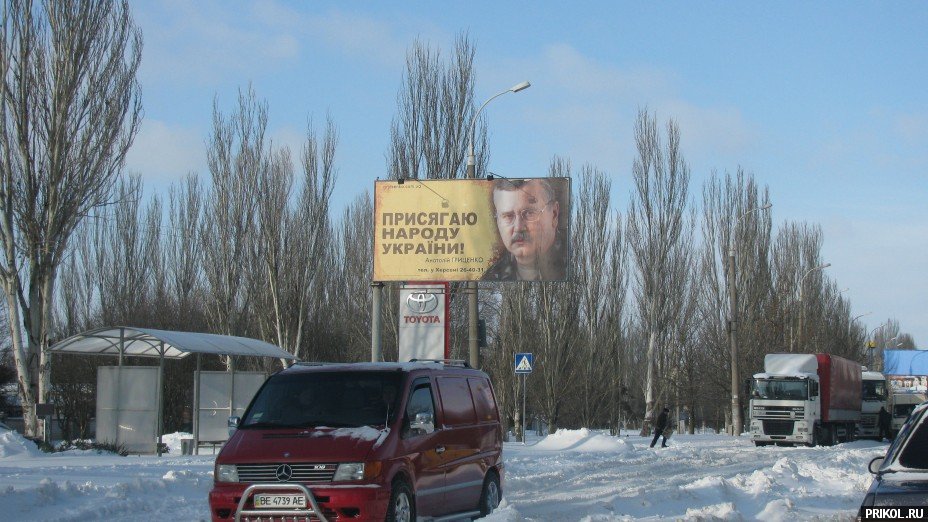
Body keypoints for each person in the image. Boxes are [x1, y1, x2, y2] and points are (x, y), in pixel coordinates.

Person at [482, 178, 566, 281]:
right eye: (508, 216)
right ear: (497, 220)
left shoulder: (575, 261)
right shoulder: (490, 276)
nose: (518, 227)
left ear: (554, 214)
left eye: (529, 213)